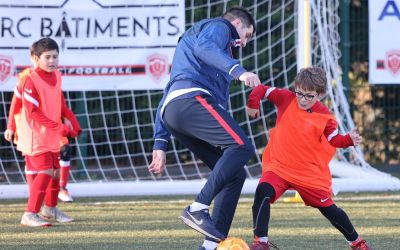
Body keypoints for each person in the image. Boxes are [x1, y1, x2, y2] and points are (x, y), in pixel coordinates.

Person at [149, 6, 260, 250]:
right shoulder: (221, 27)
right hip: (190, 101)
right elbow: (205, 48)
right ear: (238, 25)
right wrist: (238, 71)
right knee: (242, 146)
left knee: (235, 174)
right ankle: (197, 208)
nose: (244, 43)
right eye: (247, 36)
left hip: (175, 111)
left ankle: (209, 246)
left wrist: (160, 142)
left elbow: (168, 92)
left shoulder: (200, 53)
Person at [246, 67, 371, 250]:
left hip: (308, 174)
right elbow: (262, 90)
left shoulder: (325, 117)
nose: (303, 99)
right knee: (262, 192)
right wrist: (253, 102)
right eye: (300, 93)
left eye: (309, 96)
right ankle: (261, 242)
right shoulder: (285, 98)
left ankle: (357, 243)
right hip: (279, 167)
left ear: (320, 94)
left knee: (330, 210)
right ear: (295, 88)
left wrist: (348, 140)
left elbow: (334, 139)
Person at [8, 38, 78, 227]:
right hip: (34, 134)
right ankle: (30, 213)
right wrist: (11, 126)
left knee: (56, 172)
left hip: (51, 132)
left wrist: (72, 120)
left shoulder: (57, 75)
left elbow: (59, 102)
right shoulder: (30, 80)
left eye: (55, 57)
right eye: (47, 57)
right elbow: (32, 111)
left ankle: (50, 209)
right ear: (35, 58)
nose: (52, 61)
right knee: (46, 170)